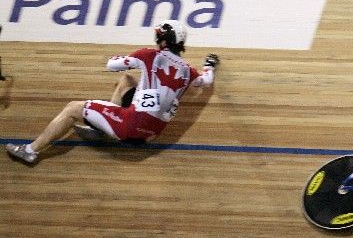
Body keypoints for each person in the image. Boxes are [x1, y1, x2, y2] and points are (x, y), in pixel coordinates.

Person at [6, 20, 218, 164]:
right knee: (127, 80)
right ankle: (100, 130)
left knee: (72, 108)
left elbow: (111, 65)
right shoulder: (189, 70)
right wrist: (209, 65)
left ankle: (31, 151)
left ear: (162, 40)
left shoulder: (149, 55)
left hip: (130, 127)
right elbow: (206, 80)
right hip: (151, 135)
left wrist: (128, 57)